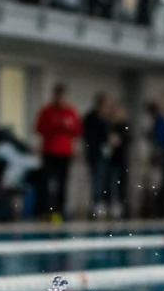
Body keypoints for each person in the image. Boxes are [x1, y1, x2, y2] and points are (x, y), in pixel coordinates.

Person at [34, 84, 81, 218]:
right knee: (47, 182)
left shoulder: (71, 112)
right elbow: (39, 129)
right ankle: (43, 211)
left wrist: (75, 150)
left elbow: (76, 132)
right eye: (58, 96)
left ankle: (59, 211)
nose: (61, 99)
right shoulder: (47, 111)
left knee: (63, 183)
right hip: (49, 151)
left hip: (65, 153)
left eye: (63, 97)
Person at [83, 92, 112, 217]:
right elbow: (90, 137)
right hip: (95, 154)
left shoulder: (106, 118)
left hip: (104, 153)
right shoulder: (92, 117)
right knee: (98, 180)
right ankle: (96, 204)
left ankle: (102, 202)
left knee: (104, 179)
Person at [107, 102, 132, 218]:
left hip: (122, 160)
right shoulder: (108, 126)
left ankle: (122, 207)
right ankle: (111, 205)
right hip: (111, 161)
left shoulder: (124, 126)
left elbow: (128, 138)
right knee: (111, 184)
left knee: (122, 185)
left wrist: (119, 139)